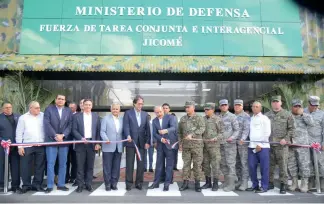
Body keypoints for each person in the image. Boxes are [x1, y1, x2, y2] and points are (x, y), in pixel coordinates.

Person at [265, 95, 295, 194]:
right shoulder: (267, 115)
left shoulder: (287, 114)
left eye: (277, 101)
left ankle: (283, 184)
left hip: (282, 145)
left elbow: (292, 129)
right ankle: (270, 182)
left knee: (283, 166)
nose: (275, 103)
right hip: (269, 144)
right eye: (273, 102)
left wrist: (285, 139)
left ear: (281, 103)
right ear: (271, 103)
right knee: (269, 165)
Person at [44, 94, 73, 193]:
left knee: (63, 164)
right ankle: (50, 185)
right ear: (55, 100)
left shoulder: (68, 110)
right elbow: (46, 123)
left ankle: (61, 184)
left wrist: (63, 135)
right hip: (51, 140)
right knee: (50, 163)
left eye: (63, 99)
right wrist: (55, 135)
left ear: (65, 101)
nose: (61, 100)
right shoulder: (49, 109)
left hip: (63, 141)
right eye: (59, 99)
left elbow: (70, 125)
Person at [16, 101, 46, 193]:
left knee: (40, 166)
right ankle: (26, 185)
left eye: (39, 107)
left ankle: (37, 185)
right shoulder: (23, 118)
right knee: (25, 166)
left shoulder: (43, 116)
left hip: (41, 145)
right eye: (36, 108)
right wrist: (19, 147)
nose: (39, 109)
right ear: (30, 108)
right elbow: (19, 132)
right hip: (27, 145)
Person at [123, 95, 151, 191]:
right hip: (131, 142)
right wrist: (127, 135)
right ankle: (128, 184)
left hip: (142, 144)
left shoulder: (145, 114)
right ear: (134, 103)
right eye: (139, 103)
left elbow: (148, 129)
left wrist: (148, 142)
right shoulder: (128, 113)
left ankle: (139, 183)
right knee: (129, 164)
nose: (140, 105)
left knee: (141, 165)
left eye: (142, 104)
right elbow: (126, 126)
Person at [72, 99, 101, 193]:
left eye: (89, 105)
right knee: (80, 166)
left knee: (90, 166)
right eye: (86, 105)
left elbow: (98, 131)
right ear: (83, 106)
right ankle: (80, 185)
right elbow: (74, 130)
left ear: (91, 106)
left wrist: (97, 143)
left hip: (91, 144)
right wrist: (81, 138)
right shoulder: (77, 116)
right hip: (81, 143)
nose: (88, 106)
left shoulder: (96, 116)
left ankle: (88, 184)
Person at [178, 101, 205, 192]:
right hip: (186, 146)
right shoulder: (182, 119)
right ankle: (185, 183)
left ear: (193, 107)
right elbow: (179, 132)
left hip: (197, 146)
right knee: (186, 165)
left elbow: (202, 128)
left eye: (188, 107)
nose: (187, 109)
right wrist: (180, 143)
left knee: (197, 165)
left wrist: (192, 135)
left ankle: (197, 184)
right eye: (186, 107)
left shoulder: (199, 118)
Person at [148, 106, 177, 191]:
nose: (159, 114)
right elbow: (154, 133)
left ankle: (167, 183)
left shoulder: (170, 117)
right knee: (159, 164)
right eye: (157, 112)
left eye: (160, 112)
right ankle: (156, 183)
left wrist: (166, 131)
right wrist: (161, 139)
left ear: (163, 111)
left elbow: (173, 128)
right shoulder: (154, 121)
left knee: (169, 165)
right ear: (155, 113)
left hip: (169, 145)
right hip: (160, 145)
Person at [288, 99, 314, 193]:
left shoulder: (306, 116)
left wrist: (302, 114)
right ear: (292, 107)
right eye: (295, 106)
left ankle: (304, 183)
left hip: (303, 145)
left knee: (304, 164)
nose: (297, 108)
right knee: (291, 165)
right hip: (291, 144)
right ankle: (294, 182)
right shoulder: (288, 115)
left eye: (299, 106)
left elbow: (311, 123)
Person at [246, 101, 271, 193]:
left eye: (257, 107)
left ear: (260, 108)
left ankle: (264, 186)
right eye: (254, 106)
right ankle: (254, 185)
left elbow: (267, 132)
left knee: (264, 168)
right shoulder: (250, 119)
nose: (255, 108)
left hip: (263, 147)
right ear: (252, 108)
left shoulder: (265, 118)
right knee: (252, 167)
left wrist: (260, 144)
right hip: (252, 146)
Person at [201, 103, 224, 191]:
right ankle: (208, 182)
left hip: (214, 147)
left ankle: (215, 183)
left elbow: (222, 133)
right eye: (205, 109)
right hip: (204, 146)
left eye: (208, 109)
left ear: (213, 110)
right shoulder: (202, 119)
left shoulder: (217, 119)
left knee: (215, 165)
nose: (206, 111)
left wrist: (216, 138)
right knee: (206, 165)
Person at [100, 103, 123, 191]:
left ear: (119, 110)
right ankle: (107, 184)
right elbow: (102, 131)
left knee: (116, 166)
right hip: (108, 146)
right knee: (107, 166)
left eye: (117, 109)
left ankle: (114, 183)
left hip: (118, 147)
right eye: (114, 109)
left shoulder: (121, 119)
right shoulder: (106, 119)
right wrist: (106, 139)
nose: (115, 110)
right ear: (111, 109)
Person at [219, 99, 239, 192]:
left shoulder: (232, 116)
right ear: (220, 106)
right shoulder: (218, 117)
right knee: (223, 164)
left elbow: (236, 130)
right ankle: (227, 182)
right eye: (222, 105)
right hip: (221, 145)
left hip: (230, 145)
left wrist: (232, 137)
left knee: (231, 164)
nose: (224, 106)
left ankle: (231, 185)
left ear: (228, 106)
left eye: (225, 105)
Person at [304, 96, 324, 192]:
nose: (315, 107)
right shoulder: (303, 112)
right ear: (309, 104)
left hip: (318, 142)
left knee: (320, 163)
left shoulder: (322, 114)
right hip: (305, 142)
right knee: (308, 163)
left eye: (316, 105)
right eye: (313, 105)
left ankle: (322, 183)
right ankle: (310, 182)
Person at [0, 102, 21, 193]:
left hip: (15, 146)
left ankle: (15, 185)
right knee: (2, 166)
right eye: (6, 107)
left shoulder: (18, 117)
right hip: (2, 146)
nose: (8, 109)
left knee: (15, 166)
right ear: (2, 109)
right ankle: (1, 185)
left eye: (10, 107)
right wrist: (2, 140)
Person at [234, 99, 250, 191]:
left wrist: (243, 139)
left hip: (242, 144)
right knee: (237, 163)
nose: (237, 107)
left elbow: (246, 129)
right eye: (236, 105)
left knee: (244, 163)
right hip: (233, 143)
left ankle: (245, 182)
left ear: (242, 106)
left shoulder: (246, 116)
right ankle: (239, 180)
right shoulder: (233, 116)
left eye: (239, 105)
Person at [66, 102, 78, 184]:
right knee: (66, 160)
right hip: (66, 141)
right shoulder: (65, 115)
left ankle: (74, 177)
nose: (70, 109)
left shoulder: (78, 116)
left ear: (75, 108)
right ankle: (66, 177)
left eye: (72, 107)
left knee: (75, 160)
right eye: (69, 107)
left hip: (76, 141)